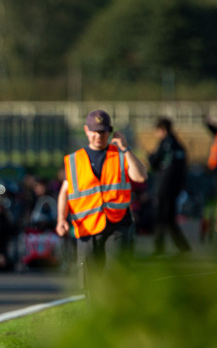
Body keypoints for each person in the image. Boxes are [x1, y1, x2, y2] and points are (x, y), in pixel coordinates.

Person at [56, 110, 147, 285]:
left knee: (116, 277)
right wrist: (61, 219)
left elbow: (141, 177)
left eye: (103, 131)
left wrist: (126, 148)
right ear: (86, 131)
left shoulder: (120, 155)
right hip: (87, 229)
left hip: (117, 225)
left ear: (110, 132)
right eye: (95, 131)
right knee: (91, 281)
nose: (99, 135)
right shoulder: (74, 160)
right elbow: (64, 192)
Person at [147, 117, 191, 255]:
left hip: (164, 187)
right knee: (170, 219)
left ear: (162, 129)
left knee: (161, 217)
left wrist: (151, 156)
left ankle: (159, 249)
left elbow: (155, 162)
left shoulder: (165, 144)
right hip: (175, 187)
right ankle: (183, 247)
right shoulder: (179, 145)